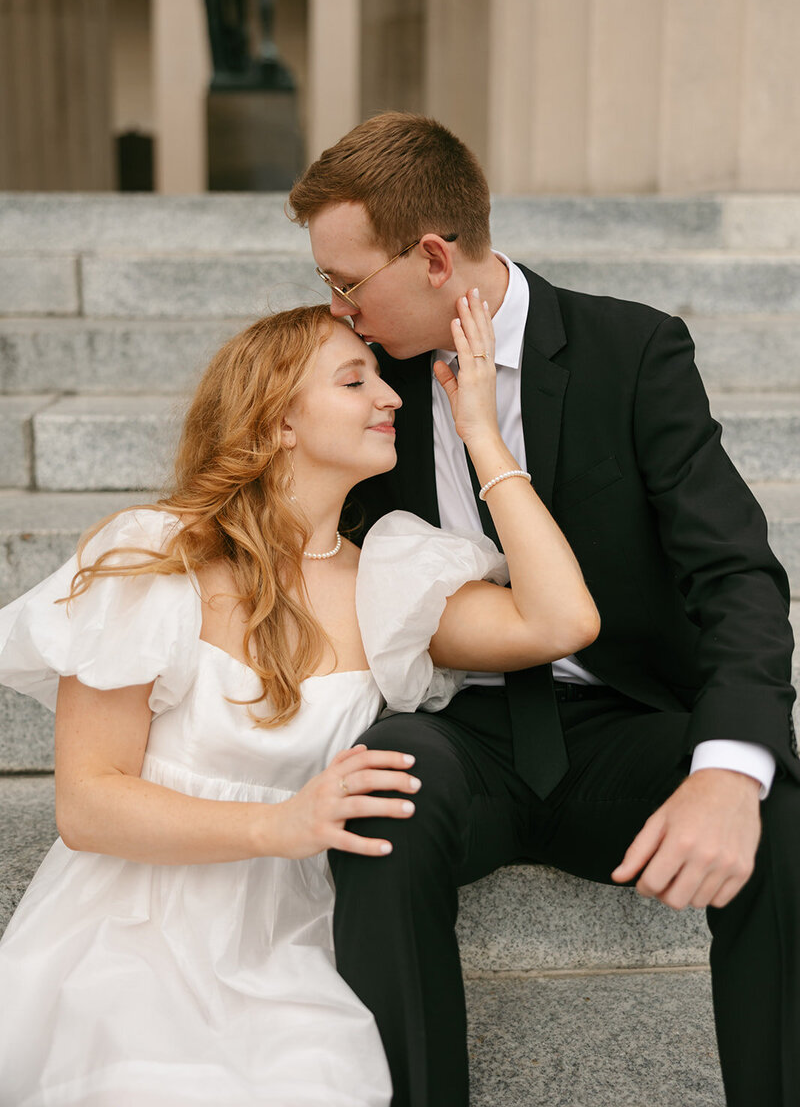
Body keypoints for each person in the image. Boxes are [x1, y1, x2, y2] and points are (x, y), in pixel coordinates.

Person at [287, 111, 799, 1107]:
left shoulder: (629, 351)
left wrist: (727, 774)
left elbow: (734, 574)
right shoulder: (352, 376)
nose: (336, 310)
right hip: (453, 728)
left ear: (433, 257)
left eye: (345, 283)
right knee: (377, 796)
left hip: (617, 723)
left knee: (778, 809)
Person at [0, 300, 598, 1106]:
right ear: (279, 422)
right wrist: (276, 825)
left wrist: (483, 438)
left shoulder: (391, 578)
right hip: (137, 922)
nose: (391, 396)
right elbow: (87, 804)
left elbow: (561, 621)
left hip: (298, 929)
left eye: (382, 378)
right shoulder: (154, 557)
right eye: (355, 380)